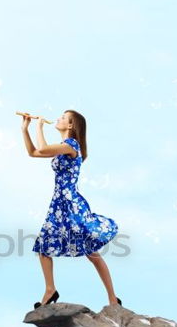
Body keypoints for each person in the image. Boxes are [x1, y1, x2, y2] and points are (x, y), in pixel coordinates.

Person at [21, 110, 122, 309]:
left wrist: (39, 126)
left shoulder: (71, 145)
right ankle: (50, 290)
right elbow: (34, 152)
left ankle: (112, 299)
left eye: (62, 117)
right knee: (43, 246)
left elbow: (42, 147)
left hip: (71, 204)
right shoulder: (63, 147)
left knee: (91, 251)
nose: (58, 118)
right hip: (58, 204)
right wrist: (25, 129)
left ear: (70, 125)